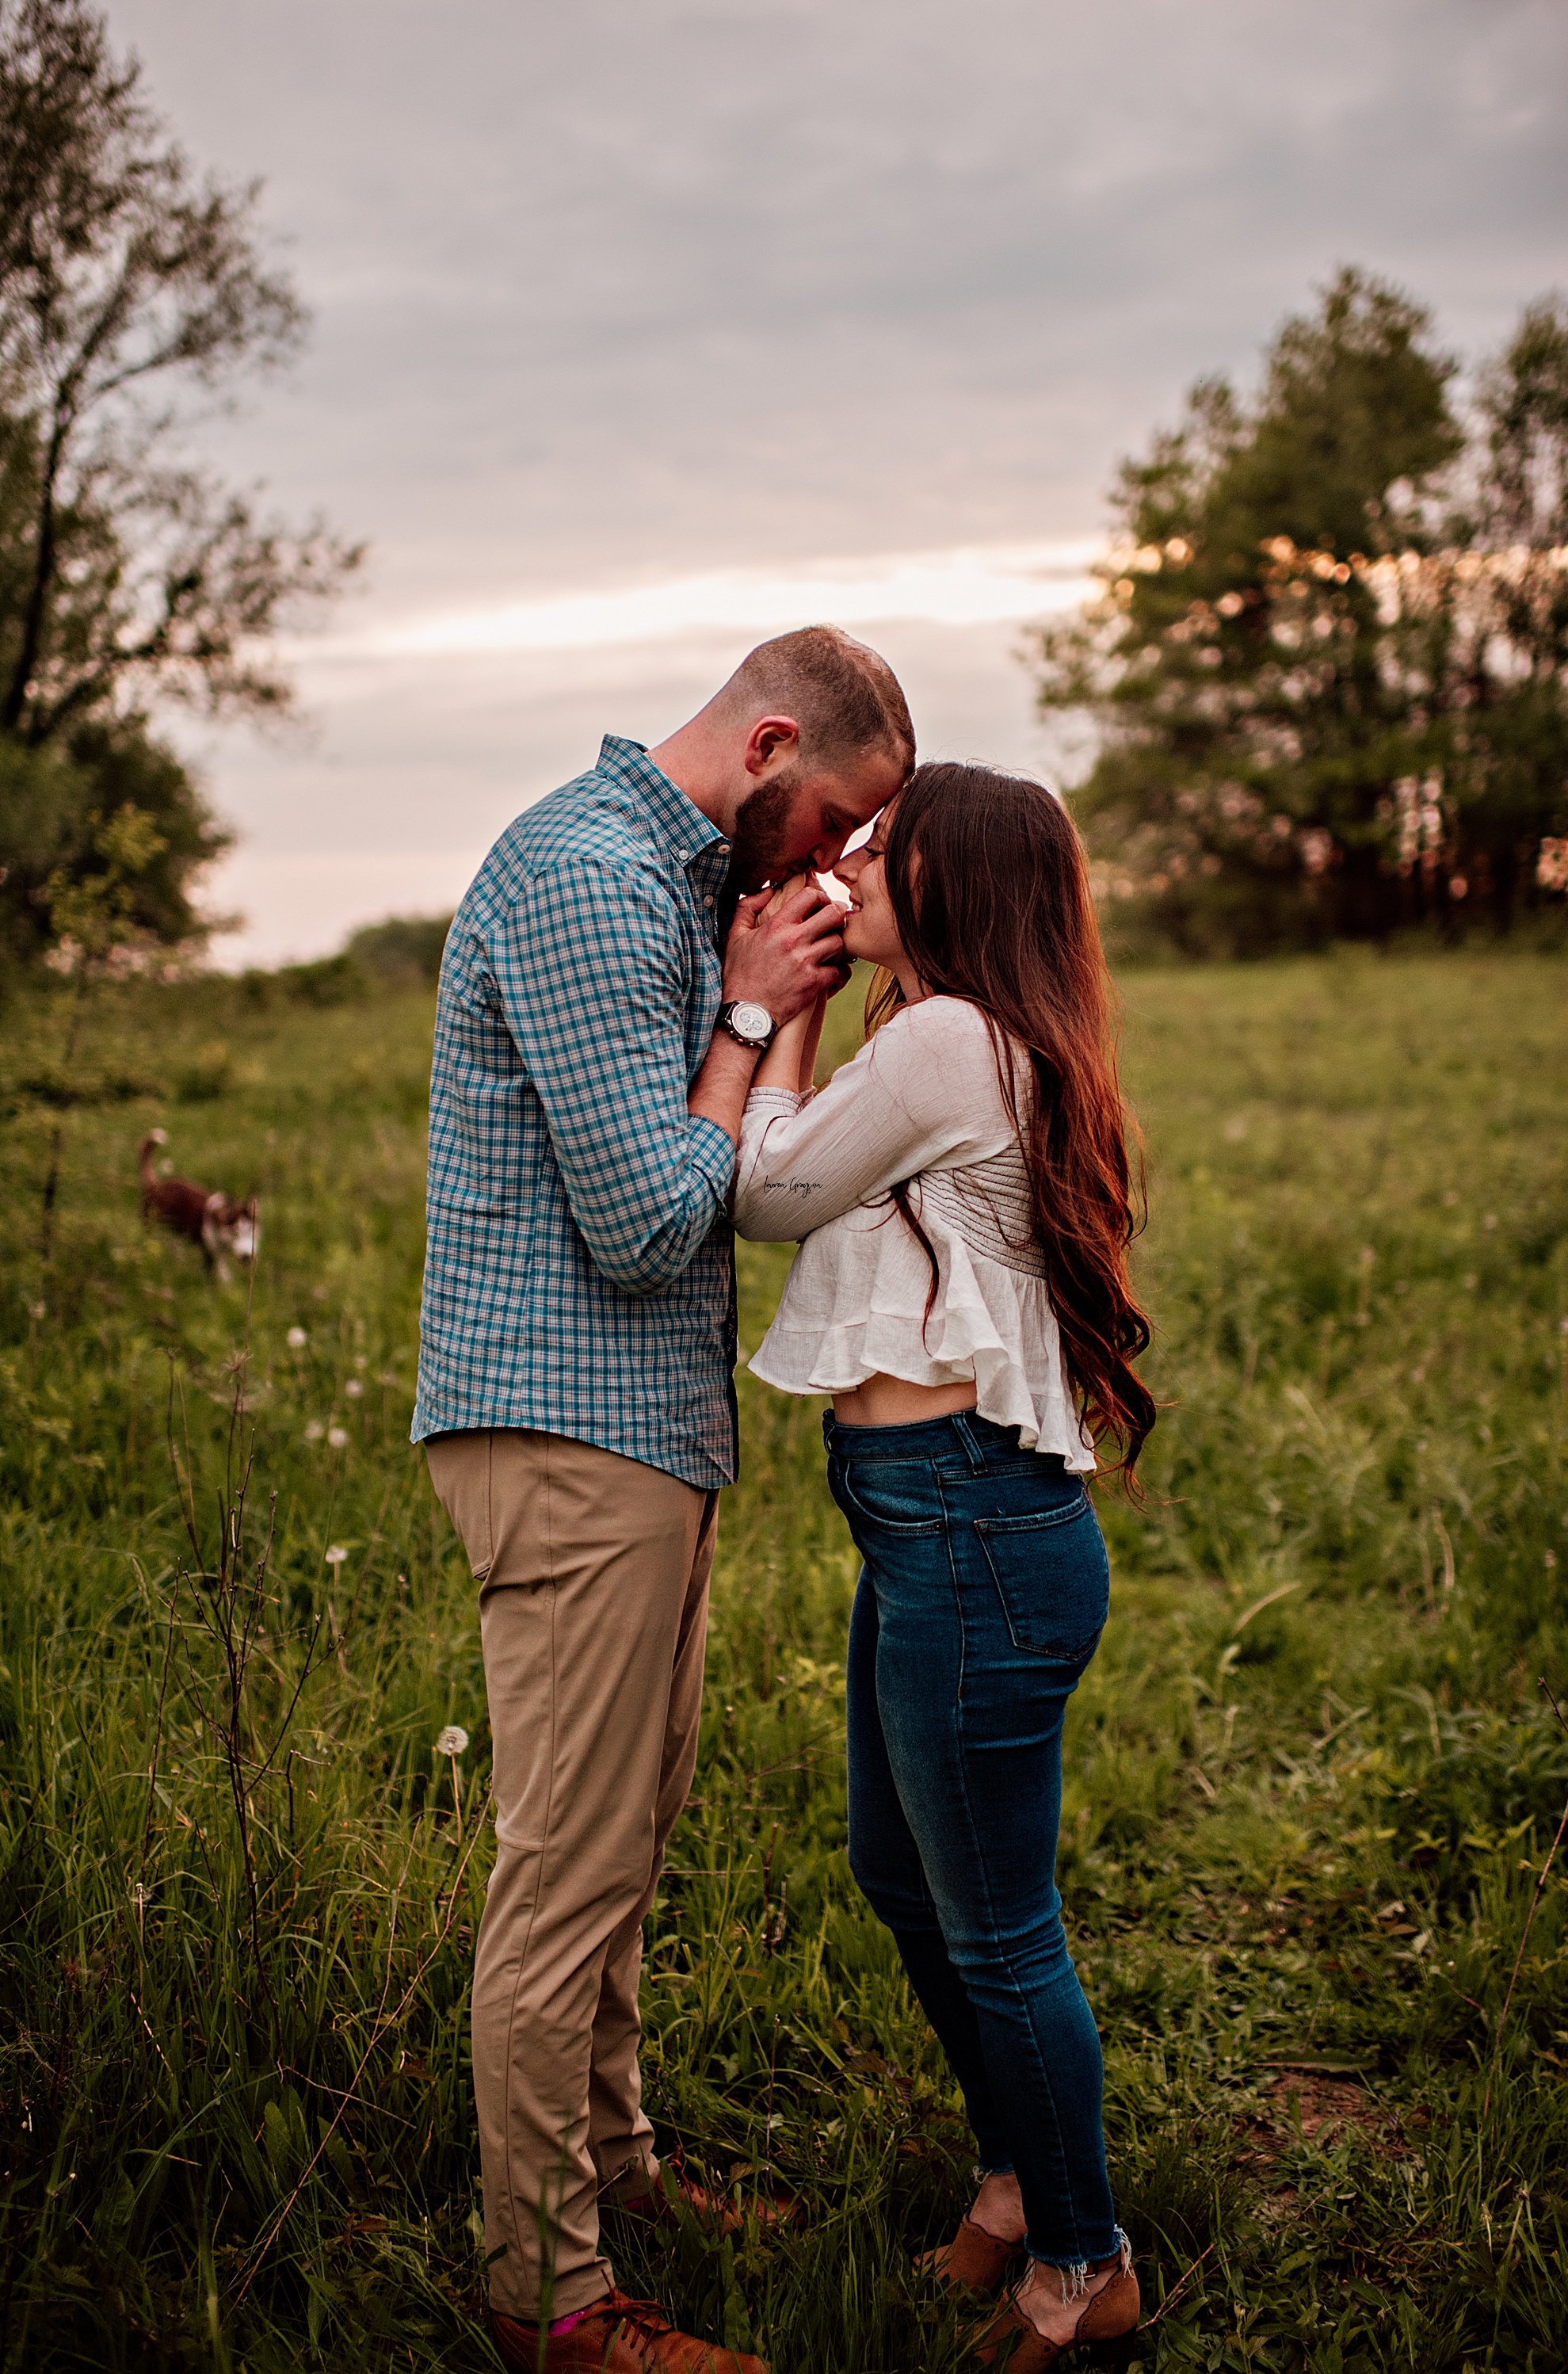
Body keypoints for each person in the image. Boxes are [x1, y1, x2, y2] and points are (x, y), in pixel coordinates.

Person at [414, 627, 914, 2374]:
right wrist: (754, 1010)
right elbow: (641, 1219)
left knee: (626, 1832)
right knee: (562, 1872)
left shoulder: (668, 882)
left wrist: (763, 995)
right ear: (770, 740)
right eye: (833, 821)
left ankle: (612, 2167)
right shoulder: (588, 876)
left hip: (638, 1431)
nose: (831, 867)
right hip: (563, 1431)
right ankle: (548, 2298)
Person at [734, 763, 1155, 2371]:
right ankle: (1012, 2177)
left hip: (968, 1527)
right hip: (938, 1521)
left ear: (954, 876)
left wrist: (770, 1010)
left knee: (994, 1926)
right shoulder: (965, 1033)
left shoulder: (944, 1038)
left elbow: (772, 1187)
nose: (850, 858)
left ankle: (1082, 2259)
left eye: (881, 846)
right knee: (903, 1878)